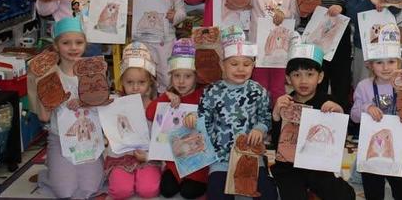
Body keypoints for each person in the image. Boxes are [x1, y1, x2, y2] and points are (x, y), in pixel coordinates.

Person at [185, 27, 276, 199]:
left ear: (253, 65)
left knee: (268, 194)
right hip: (220, 158)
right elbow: (204, 119)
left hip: (251, 155)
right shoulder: (211, 91)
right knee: (216, 194)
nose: (241, 69)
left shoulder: (259, 91)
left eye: (246, 64)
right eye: (234, 64)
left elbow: (266, 117)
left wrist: (260, 128)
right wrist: (192, 119)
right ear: (222, 65)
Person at [270, 44, 356, 200]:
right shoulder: (285, 104)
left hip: (318, 166)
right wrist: (276, 116)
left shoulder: (328, 102)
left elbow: (338, 142)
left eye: (310, 74)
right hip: (289, 168)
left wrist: (338, 113)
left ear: (320, 77)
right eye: (297, 75)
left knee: (346, 195)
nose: (303, 81)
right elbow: (277, 145)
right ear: (288, 78)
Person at [36, 17, 103, 199]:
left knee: (89, 188)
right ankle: (50, 171)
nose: (73, 47)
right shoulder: (50, 75)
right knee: (64, 191)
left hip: (89, 139)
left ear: (85, 44)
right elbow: (43, 117)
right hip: (60, 139)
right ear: (56, 46)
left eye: (79, 42)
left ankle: (84, 168)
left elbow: (105, 107)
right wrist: (51, 98)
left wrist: (86, 101)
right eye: (66, 43)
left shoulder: (93, 72)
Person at [350, 30, 402, 200]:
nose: (385, 68)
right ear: (370, 65)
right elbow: (354, 116)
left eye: (391, 62)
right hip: (372, 154)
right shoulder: (364, 86)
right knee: (373, 193)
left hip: (399, 151)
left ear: (400, 63)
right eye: (379, 62)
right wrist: (366, 107)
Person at [145, 38, 207, 199]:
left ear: (196, 77)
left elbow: (212, 118)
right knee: (166, 190)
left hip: (197, 162)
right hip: (173, 163)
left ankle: (197, 180)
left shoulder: (203, 95)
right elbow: (150, 113)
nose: (181, 81)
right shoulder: (169, 96)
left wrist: (198, 117)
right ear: (171, 77)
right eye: (176, 76)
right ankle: (177, 177)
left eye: (187, 76)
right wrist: (166, 96)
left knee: (189, 192)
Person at [106, 42, 161, 199]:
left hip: (147, 157)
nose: (135, 87)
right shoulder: (115, 104)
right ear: (122, 82)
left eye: (141, 82)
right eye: (130, 82)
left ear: (150, 82)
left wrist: (149, 155)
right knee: (120, 191)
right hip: (121, 158)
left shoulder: (155, 106)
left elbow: (161, 138)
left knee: (148, 190)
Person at [250, 0, 298, 102]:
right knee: (259, 86)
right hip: (257, 52)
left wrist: (284, 15)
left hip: (280, 51)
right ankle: (260, 123)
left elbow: (296, 19)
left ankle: (277, 123)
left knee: (278, 88)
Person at [309, 0, 353, 110]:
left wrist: (342, 8)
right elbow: (303, 10)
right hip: (317, 40)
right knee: (317, 80)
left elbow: (351, 11)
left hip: (340, 42)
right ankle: (316, 117)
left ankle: (340, 120)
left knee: (341, 81)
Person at [137, 0, 186, 92]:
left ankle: (166, 105)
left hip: (165, 42)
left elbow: (182, 12)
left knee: (166, 76)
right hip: (142, 41)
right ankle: (146, 106)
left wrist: (175, 16)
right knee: (143, 75)